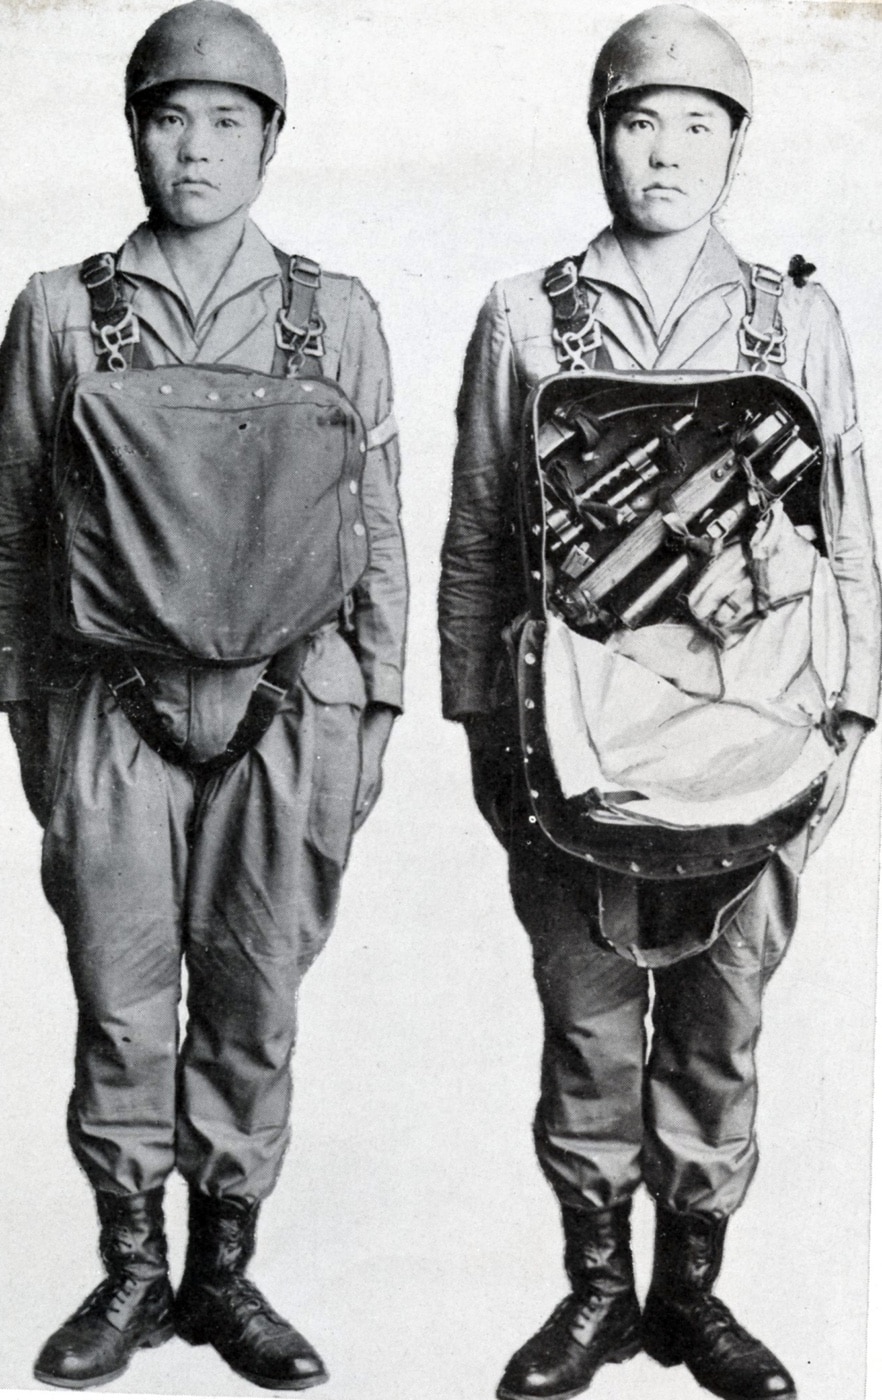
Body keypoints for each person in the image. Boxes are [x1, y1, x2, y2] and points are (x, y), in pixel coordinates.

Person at [438, 7, 879, 1400]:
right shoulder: (524, 313)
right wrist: (480, 730)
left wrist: (851, 720)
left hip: (761, 749)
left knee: (722, 1020)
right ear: (598, 136)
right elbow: (476, 534)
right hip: (567, 750)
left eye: (699, 122)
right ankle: (594, 1297)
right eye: (641, 120)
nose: (667, 151)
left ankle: (693, 1298)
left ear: (737, 145)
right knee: (583, 1025)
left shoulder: (792, 317)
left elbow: (847, 534)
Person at [0, 1, 406, 1390]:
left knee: (254, 994)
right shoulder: (62, 310)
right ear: (131, 127)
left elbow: (380, 525)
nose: (195, 145)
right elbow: (14, 524)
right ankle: (129, 1270)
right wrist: (29, 725)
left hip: (296, 704)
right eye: (170, 113)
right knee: (122, 1000)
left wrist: (380, 715)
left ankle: (226, 1273)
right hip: (109, 701)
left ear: (271, 137)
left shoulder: (331, 313)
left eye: (228, 117)